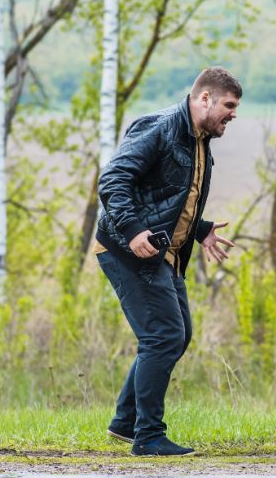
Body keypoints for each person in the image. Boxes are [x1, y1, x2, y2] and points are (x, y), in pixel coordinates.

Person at [93, 67, 240, 456]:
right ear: (204, 98)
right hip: (128, 248)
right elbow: (113, 180)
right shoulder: (159, 128)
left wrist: (200, 228)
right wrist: (133, 230)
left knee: (177, 335)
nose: (233, 115)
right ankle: (148, 436)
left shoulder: (199, 140)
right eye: (228, 105)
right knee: (162, 336)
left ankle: (126, 422)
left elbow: (168, 195)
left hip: (164, 251)